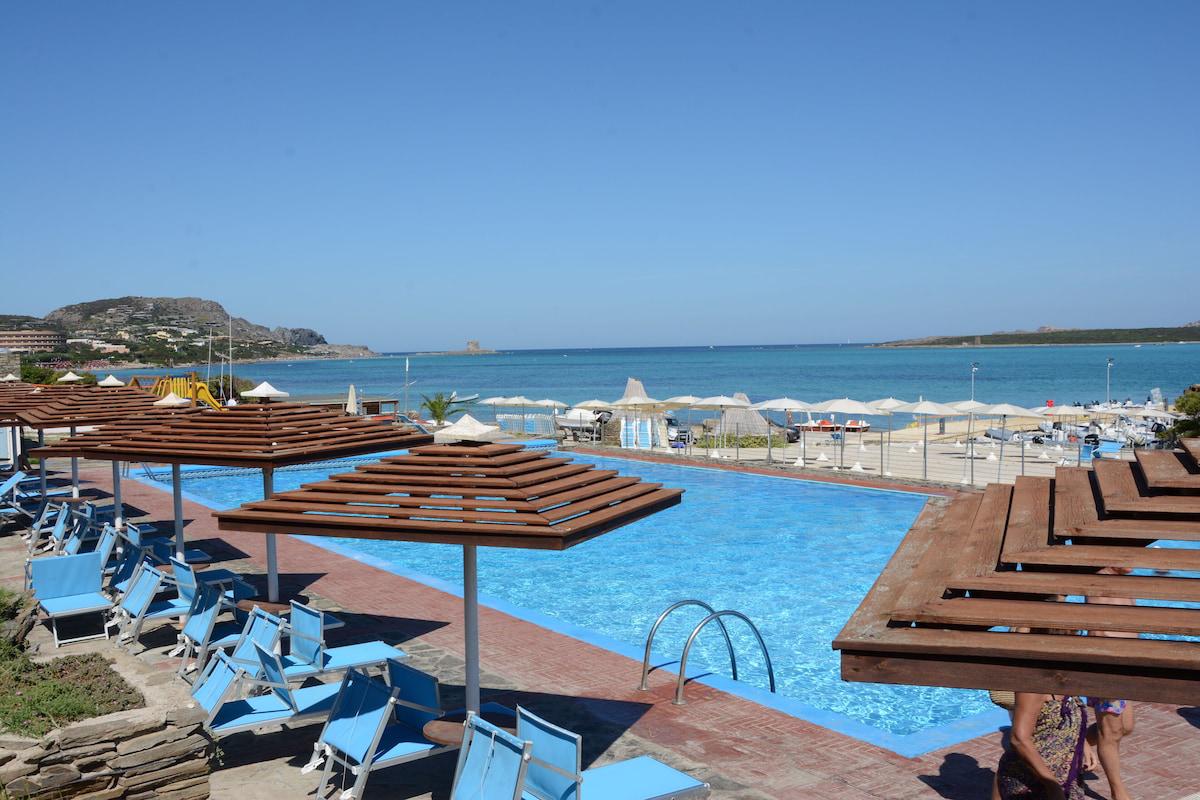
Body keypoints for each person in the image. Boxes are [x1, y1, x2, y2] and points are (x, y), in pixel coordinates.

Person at [1085, 567, 1137, 800]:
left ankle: (1076, 743)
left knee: (1126, 726)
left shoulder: (1123, 579)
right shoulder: (1100, 580)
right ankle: (1119, 793)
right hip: (1109, 666)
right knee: (1110, 731)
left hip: (1127, 666)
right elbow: (1096, 630)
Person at [996, 692, 1092, 799]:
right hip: (1031, 780)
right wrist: (1052, 786)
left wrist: (1082, 742)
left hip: (1064, 778)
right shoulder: (1033, 689)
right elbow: (1019, 740)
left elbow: (1070, 715)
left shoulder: (1065, 683)